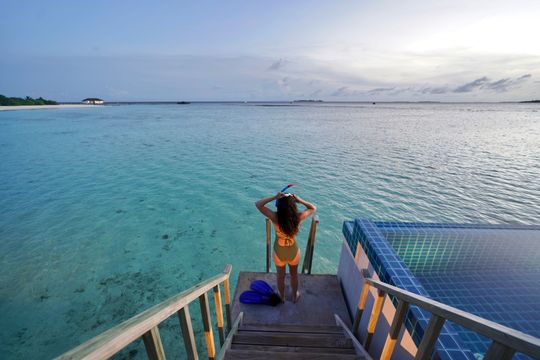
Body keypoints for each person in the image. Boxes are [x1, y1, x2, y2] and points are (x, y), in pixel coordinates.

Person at [255, 192, 317, 303]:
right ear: (293, 205)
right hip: (293, 250)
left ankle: (282, 297)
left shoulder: (275, 217)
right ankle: (295, 296)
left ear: (279, 205)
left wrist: (274, 197)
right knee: (294, 275)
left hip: (279, 251)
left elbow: (258, 204)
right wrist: (299, 199)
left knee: (280, 276)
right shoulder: (298, 217)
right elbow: (313, 208)